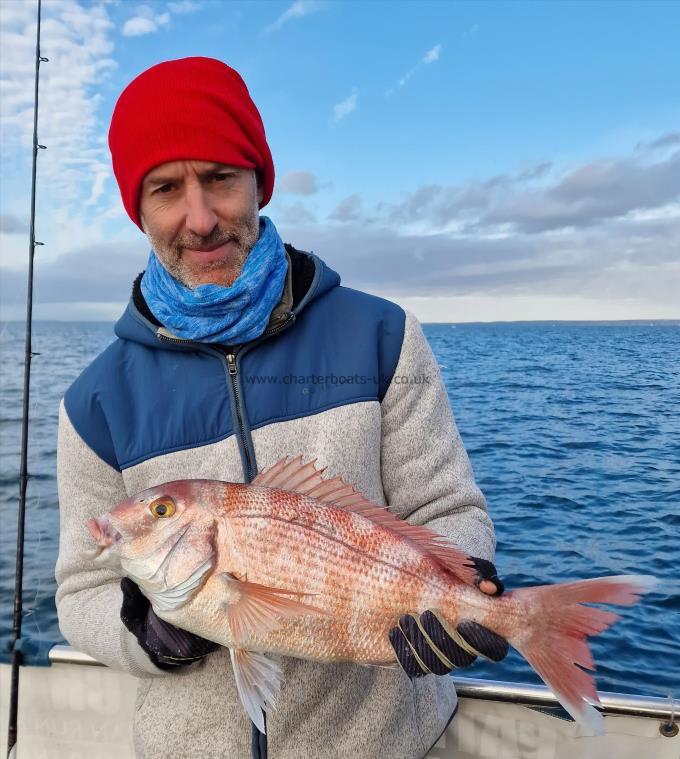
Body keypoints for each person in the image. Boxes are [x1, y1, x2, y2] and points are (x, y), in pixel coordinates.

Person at [55, 57, 507, 759]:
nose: (200, 219)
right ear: (136, 208)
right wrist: (144, 634)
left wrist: (465, 579)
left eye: (221, 178)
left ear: (260, 181)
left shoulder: (382, 336)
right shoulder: (93, 402)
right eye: (167, 188)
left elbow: (447, 505)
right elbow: (81, 589)